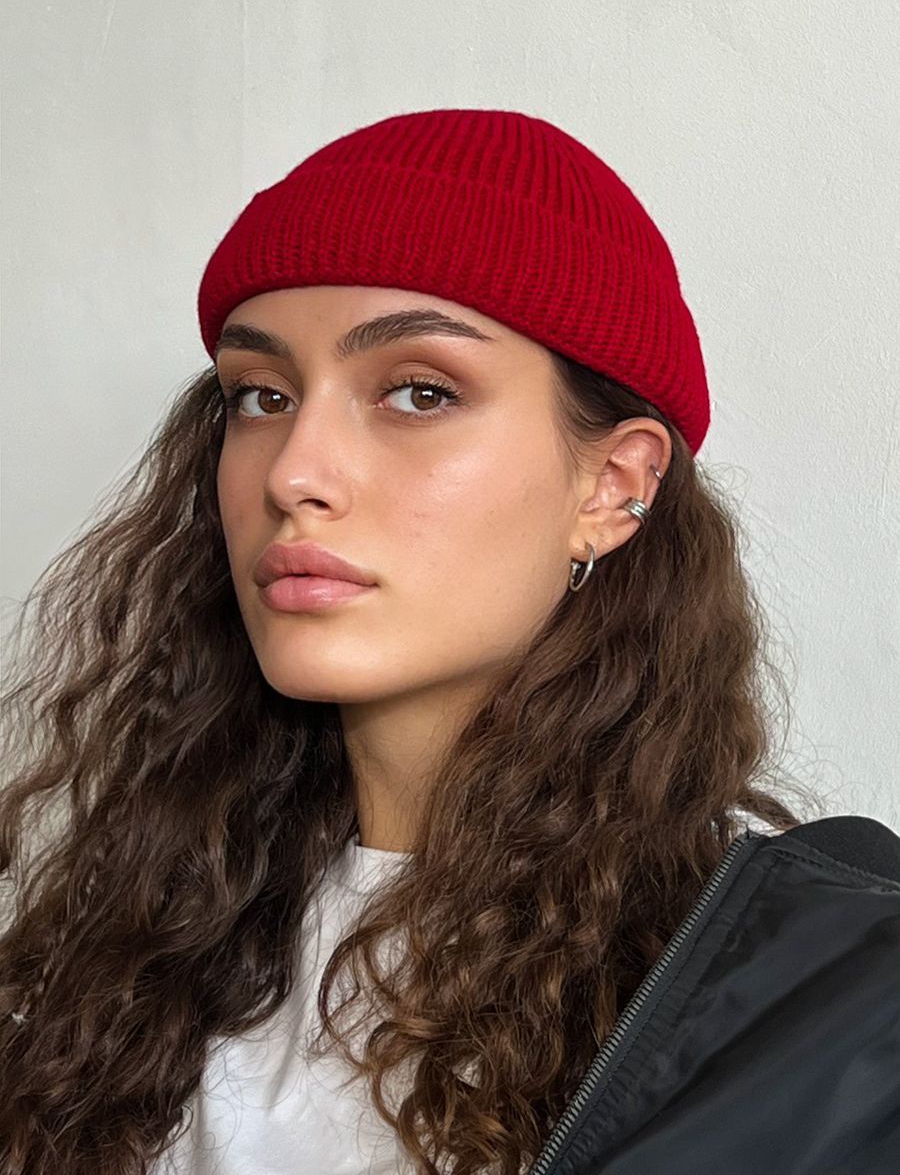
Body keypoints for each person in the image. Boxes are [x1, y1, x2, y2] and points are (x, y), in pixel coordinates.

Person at [1, 108, 897, 1175]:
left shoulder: (822, 1017)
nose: (294, 471)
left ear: (612, 487)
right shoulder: (135, 947)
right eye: (261, 396)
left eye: (420, 393)